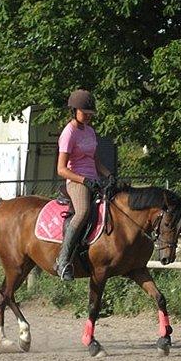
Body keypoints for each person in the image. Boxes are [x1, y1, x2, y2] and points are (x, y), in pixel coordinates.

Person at [55, 89, 113, 281]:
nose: (88, 116)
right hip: (76, 181)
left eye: (90, 113)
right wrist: (84, 180)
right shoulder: (68, 133)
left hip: (94, 179)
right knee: (82, 212)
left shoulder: (90, 131)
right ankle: (63, 260)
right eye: (84, 113)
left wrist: (109, 175)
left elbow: (95, 161)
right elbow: (61, 169)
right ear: (74, 111)